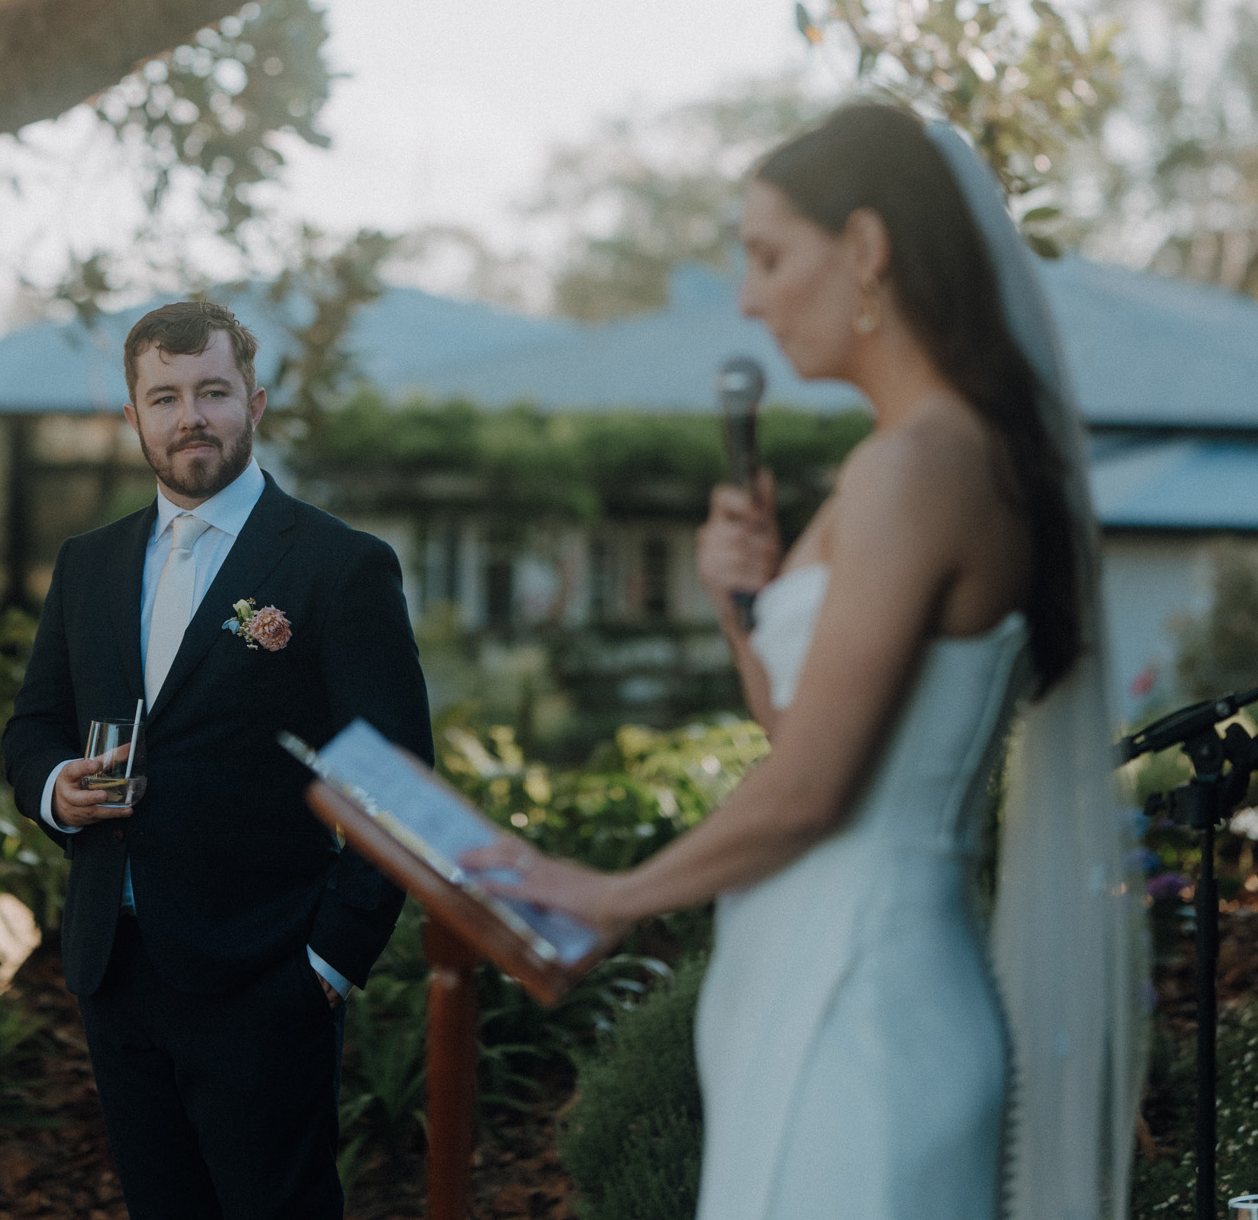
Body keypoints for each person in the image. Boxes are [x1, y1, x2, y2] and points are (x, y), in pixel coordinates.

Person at [463, 104, 1143, 1220]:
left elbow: (816, 790)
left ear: (866, 248)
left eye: (769, 255)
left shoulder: (919, 464)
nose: (746, 296)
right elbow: (814, 736)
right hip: (816, 986)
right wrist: (747, 611)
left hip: (863, 1008)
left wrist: (614, 894)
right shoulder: (917, 457)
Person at [4, 297, 432, 1220]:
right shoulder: (89, 564)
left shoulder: (338, 566)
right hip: (113, 968)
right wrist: (53, 789)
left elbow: (394, 781)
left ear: (256, 402)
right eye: (164, 397)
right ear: (133, 419)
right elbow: (34, 724)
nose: (189, 416)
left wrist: (327, 963)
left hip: (266, 973)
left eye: (212, 391)